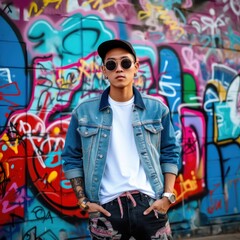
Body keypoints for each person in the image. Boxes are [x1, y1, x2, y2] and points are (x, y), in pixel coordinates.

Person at [62, 39, 180, 240]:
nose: (119, 69)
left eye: (125, 63)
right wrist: (83, 202)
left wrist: (167, 196)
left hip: (150, 206)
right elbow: (71, 157)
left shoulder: (157, 109)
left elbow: (170, 152)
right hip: (106, 209)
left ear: (136, 67)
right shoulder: (83, 112)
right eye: (111, 64)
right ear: (104, 71)